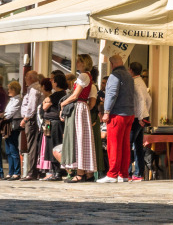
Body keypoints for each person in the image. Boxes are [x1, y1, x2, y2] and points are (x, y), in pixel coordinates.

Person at [59, 54, 98, 183]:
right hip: (83, 108)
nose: (76, 63)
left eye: (79, 61)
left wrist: (63, 104)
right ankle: (88, 173)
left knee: (78, 139)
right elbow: (91, 103)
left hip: (79, 107)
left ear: (84, 63)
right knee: (84, 140)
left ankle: (80, 173)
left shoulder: (83, 76)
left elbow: (75, 95)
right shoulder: (88, 77)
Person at [98, 54, 135, 183]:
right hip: (129, 113)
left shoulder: (115, 76)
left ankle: (112, 174)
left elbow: (112, 94)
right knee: (125, 145)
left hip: (117, 114)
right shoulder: (129, 76)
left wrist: (106, 111)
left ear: (112, 64)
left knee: (113, 145)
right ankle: (123, 174)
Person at [39, 75, 65, 180]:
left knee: (55, 146)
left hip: (55, 123)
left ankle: (57, 172)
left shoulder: (58, 94)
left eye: (53, 81)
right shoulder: (56, 94)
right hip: (50, 122)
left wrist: (46, 101)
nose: (52, 83)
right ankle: (54, 171)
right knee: (50, 146)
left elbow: (44, 106)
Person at [129, 61, 151, 182]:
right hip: (142, 115)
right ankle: (138, 173)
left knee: (128, 143)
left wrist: (142, 117)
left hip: (138, 117)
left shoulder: (134, 83)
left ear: (131, 70)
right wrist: (146, 114)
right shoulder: (142, 82)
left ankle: (128, 172)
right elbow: (149, 99)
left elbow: (142, 100)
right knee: (137, 145)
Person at [19, 70, 42, 180]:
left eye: (26, 77)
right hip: (32, 119)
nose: (25, 80)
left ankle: (32, 172)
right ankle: (34, 171)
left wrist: (25, 119)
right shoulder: (34, 88)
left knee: (32, 146)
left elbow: (32, 107)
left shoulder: (34, 89)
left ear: (31, 78)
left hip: (31, 120)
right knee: (33, 145)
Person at [2, 80, 23, 180]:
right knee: (8, 149)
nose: (8, 91)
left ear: (14, 89)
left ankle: (17, 172)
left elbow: (11, 112)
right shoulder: (12, 99)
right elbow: (7, 111)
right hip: (8, 124)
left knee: (13, 147)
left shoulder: (18, 99)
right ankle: (10, 172)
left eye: (10, 89)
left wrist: (3, 117)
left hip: (13, 124)